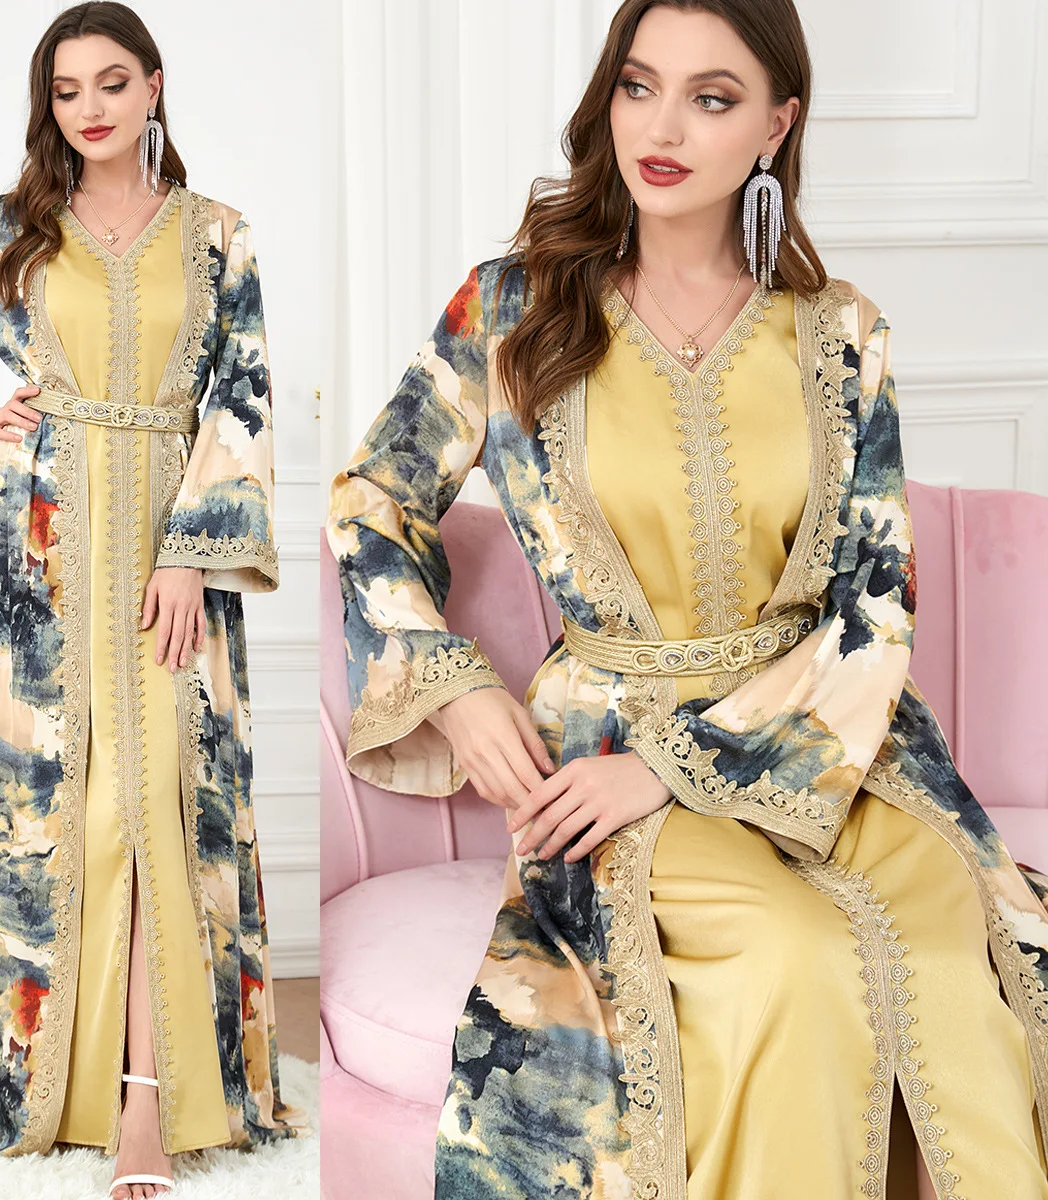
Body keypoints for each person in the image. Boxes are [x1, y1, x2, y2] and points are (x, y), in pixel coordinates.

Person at [325, 1, 1048, 1196]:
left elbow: (874, 596)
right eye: (638, 85)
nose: (661, 128)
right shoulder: (511, 311)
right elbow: (371, 500)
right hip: (603, 749)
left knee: (946, 963)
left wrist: (675, 765)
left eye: (712, 99)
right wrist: (455, 689)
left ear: (776, 125)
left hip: (828, 747)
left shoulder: (839, 334)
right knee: (796, 961)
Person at [0, 4, 305, 1196]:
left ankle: (149, 1107)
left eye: (113, 82)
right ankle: (51, 1089)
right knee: (56, 818)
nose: (91, 108)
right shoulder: (10, 229)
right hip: (33, 553)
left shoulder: (218, 237)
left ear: (154, 85)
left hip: (169, 551)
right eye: (67, 91)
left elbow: (244, 398)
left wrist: (191, 554)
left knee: (157, 807)